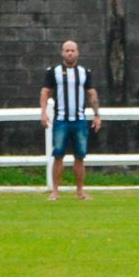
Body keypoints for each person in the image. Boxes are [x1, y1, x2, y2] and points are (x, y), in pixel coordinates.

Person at [40, 40, 101, 202]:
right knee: (58, 155)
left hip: (79, 121)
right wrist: (43, 113)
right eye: (67, 50)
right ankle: (55, 191)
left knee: (80, 156)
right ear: (62, 53)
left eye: (73, 50)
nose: (70, 53)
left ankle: (80, 191)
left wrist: (97, 114)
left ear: (78, 53)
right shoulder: (54, 72)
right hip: (61, 120)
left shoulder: (84, 72)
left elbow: (91, 94)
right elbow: (45, 92)